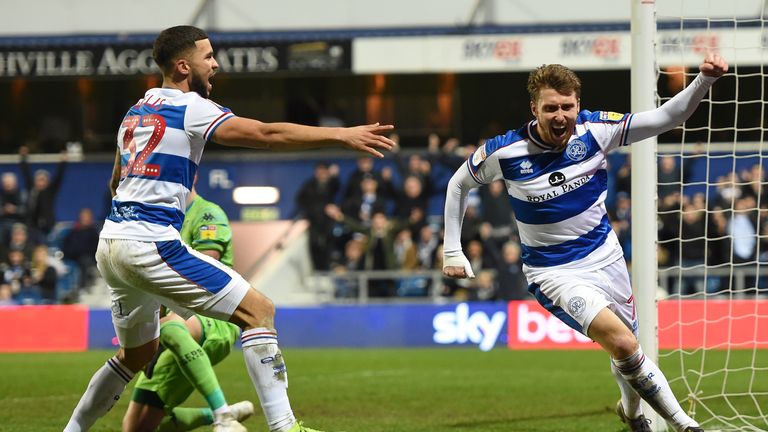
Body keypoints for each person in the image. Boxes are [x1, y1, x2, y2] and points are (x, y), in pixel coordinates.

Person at [63, 25, 393, 432]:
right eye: (208, 56)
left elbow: (116, 181)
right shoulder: (191, 107)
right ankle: (285, 427)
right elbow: (265, 134)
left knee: (137, 355)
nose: (215, 63)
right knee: (259, 311)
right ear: (184, 66)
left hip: (112, 242)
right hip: (150, 242)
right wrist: (339, 134)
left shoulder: (135, 113)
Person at [442, 53, 728, 432]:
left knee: (628, 345)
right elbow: (458, 183)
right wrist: (452, 248)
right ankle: (685, 425)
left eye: (567, 106)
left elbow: (666, 118)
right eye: (550, 108)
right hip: (555, 272)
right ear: (534, 108)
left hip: (607, 258)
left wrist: (704, 80)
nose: (560, 116)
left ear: (578, 104)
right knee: (624, 346)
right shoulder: (506, 152)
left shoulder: (595, 130)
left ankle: (632, 413)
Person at [122, 187, 254, 431]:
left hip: (215, 315)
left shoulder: (207, 214)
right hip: (174, 327)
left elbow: (202, 273)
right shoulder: (161, 220)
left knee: (171, 327)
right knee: (134, 427)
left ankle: (222, 415)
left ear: (189, 174)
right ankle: (219, 414)